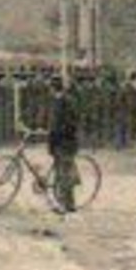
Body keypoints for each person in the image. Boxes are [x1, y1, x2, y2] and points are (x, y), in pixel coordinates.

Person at [47, 77, 80, 214]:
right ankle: (62, 202)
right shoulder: (56, 101)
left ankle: (67, 205)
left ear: (54, 88)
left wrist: (58, 133)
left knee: (64, 173)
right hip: (58, 142)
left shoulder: (67, 101)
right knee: (60, 172)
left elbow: (71, 123)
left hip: (66, 142)